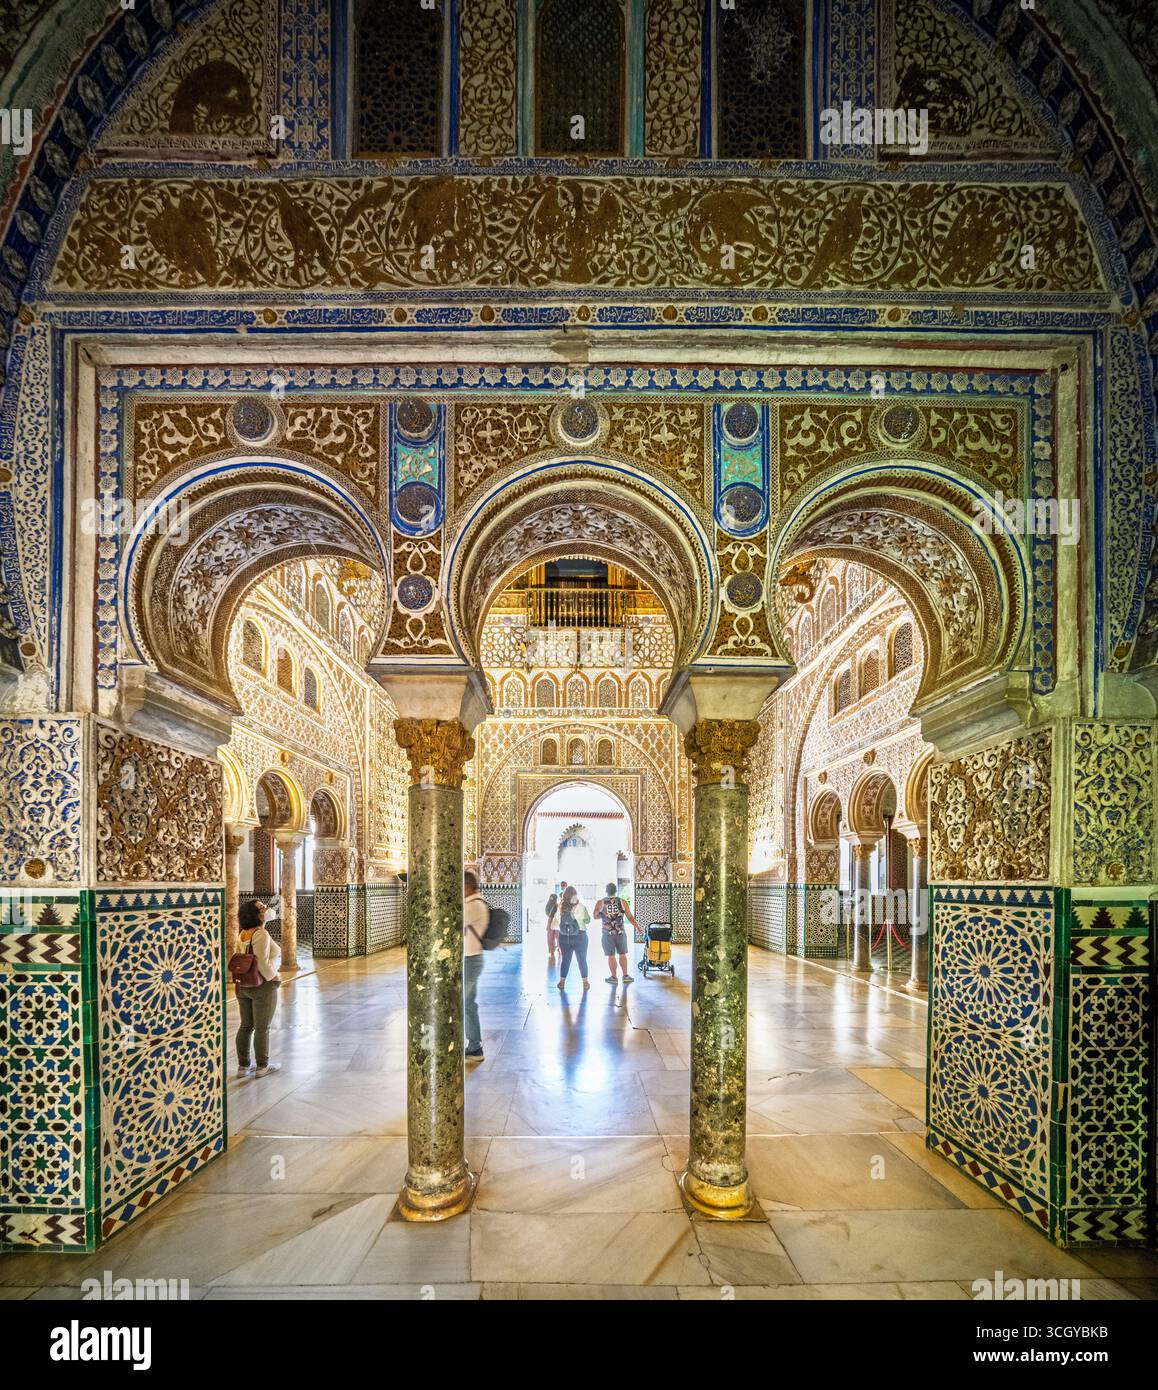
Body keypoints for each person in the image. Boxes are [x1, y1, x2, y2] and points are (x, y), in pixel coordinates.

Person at [235, 898, 281, 1078]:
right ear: (255, 914)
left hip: (243, 985)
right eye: (262, 907)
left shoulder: (243, 933)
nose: (266, 908)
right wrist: (274, 977)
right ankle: (262, 1066)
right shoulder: (261, 934)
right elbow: (261, 962)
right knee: (262, 1027)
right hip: (261, 985)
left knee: (246, 1026)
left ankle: (243, 1066)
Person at [463, 870, 489, 1060]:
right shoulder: (473, 903)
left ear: (467, 886)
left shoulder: (474, 905)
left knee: (465, 1003)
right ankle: (474, 1045)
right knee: (468, 1002)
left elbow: (454, 920)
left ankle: (475, 1046)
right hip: (470, 957)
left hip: (471, 959)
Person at [595, 882, 638, 984]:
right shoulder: (622, 902)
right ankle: (625, 976)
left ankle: (614, 978)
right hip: (620, 932)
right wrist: (637, 927)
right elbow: (630, 917)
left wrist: (602, 914)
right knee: (622, 954)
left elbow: (595, 916)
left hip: (607, 933)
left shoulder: (601, 902)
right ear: (616, 891)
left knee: (611, 956)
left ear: (606, 891)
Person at [551, 885, 591, 991]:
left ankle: (562, 982)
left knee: (565, 959)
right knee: (582, 960)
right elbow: (588, 920)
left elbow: (555, 922)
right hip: (580, 936)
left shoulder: (560, 907)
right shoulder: (581, 906)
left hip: (565, 936)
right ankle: (585, 982)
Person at [544, 890, 559, 963]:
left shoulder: (556, 906)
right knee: (554, 938)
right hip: (555, 923)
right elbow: (548, 914)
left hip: (554, 923)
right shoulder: (552, 905)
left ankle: (554, 950)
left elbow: (549, 915)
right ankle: (553, 950)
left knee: (554, 938)